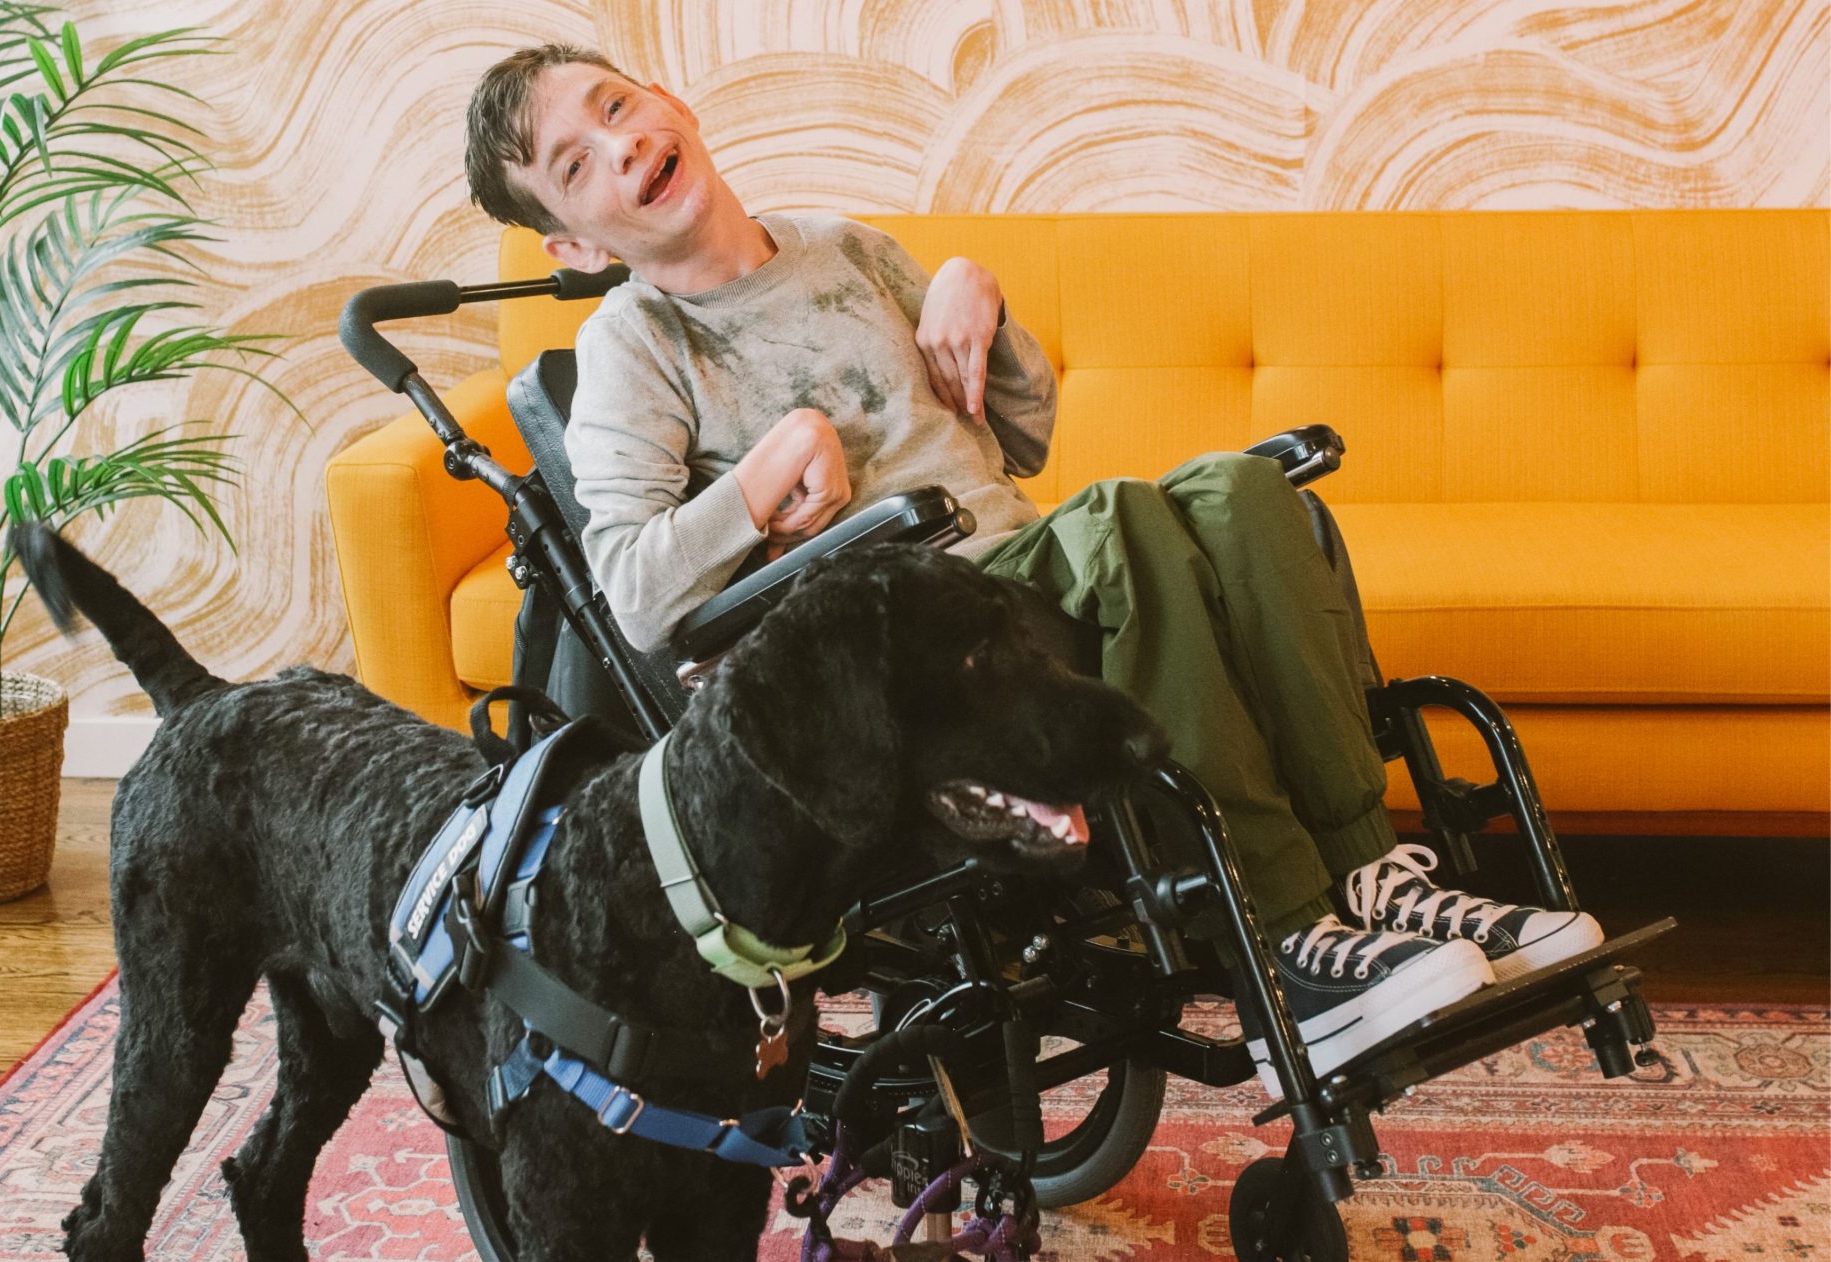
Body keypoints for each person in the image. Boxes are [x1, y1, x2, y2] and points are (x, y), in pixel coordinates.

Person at [460, 44, 1604, 1095]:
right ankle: (1283, 931)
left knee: (1244, 491)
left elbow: (1018, 439)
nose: (618, 144)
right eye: (575, 164)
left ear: (668, 102)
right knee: (1121, 519)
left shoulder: (843, 246)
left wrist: (978, 298)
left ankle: (1370, 877)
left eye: (616, 107)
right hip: (912, 654)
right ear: (576, 245)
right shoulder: (635, 343)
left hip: (1013, 569)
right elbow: (635, 591)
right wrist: (773, 464)